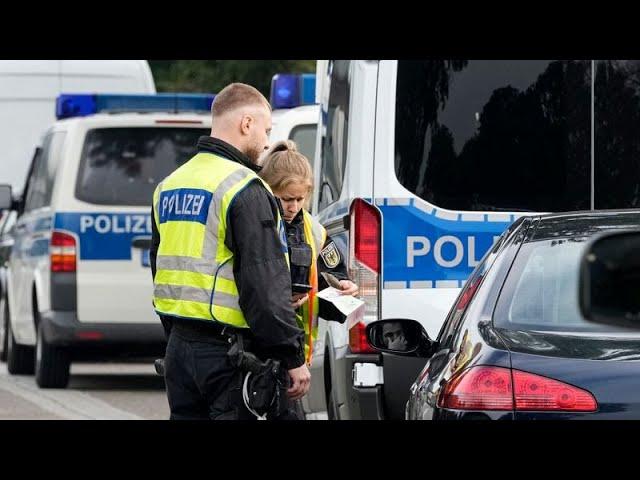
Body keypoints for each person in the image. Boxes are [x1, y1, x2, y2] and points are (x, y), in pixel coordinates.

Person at [150, 83, 310, 420]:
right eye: (266, 130)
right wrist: (292, 356)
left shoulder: (169, 185)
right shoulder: (245, 188)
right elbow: (263, 286)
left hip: (180, 349)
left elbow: (160, 271)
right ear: (246, 124)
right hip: (230, 356)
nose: (267, 142)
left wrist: (178, 338)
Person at [258, 140, 358, 366]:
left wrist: (343, 288)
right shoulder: (256, 226)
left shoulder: (315, 232)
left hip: (297, 355)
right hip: (258, 352)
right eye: (286, 199)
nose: (293, 207)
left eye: (299, 199)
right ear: (266, 190)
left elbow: (331, 277)